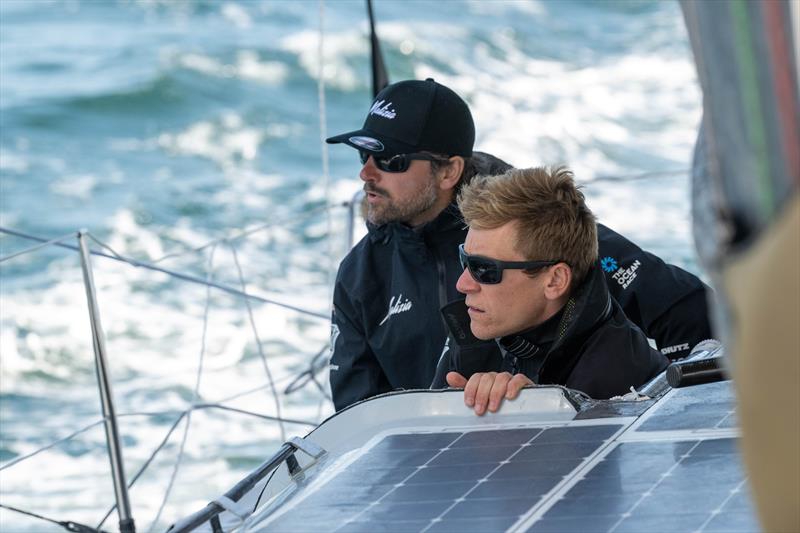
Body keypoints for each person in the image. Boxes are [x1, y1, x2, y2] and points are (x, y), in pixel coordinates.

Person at [325, 78, 711, 411]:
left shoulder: (530, 228)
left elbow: (697, 319)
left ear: (449, 171)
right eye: (364, 153)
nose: (366, 172)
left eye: (390, 160)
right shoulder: (360, 276)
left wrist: (652, 398)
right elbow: (358, 417)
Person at [432, 166, 669, 414]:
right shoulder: (478, 325)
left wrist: (541, 417)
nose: (462, 284)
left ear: (555, 281)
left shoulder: (611, 379)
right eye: (464, 259)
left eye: (483, 269)